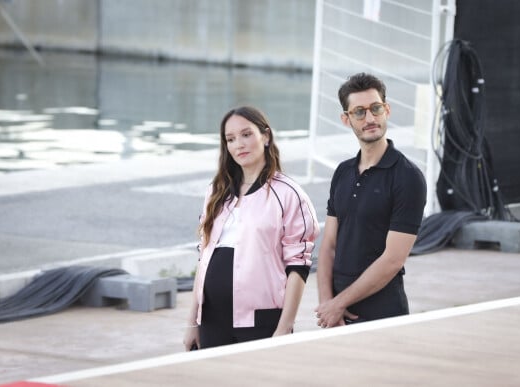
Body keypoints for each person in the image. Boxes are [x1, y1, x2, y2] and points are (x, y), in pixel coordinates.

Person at [183, 105, 320, 350]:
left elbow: (298, 267)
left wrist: (284, 327)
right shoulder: (216, 192)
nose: (239, 145)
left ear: (265, 136)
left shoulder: (288, 193)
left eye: (246, 135)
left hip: (261, 320)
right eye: (231, 139)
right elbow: (203, 258)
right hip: (212, 320)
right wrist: (192, 322)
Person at [315, 72, 427, 328]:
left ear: (386, 110)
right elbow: (329, 245)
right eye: (359, 112)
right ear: (346, 119)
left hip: (383, 313)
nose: (370, 118)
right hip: (336, 315)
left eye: (375, 108)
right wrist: (327, 304)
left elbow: (393, 259)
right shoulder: (343, 172)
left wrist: (339, 303)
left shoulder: (407, 177)